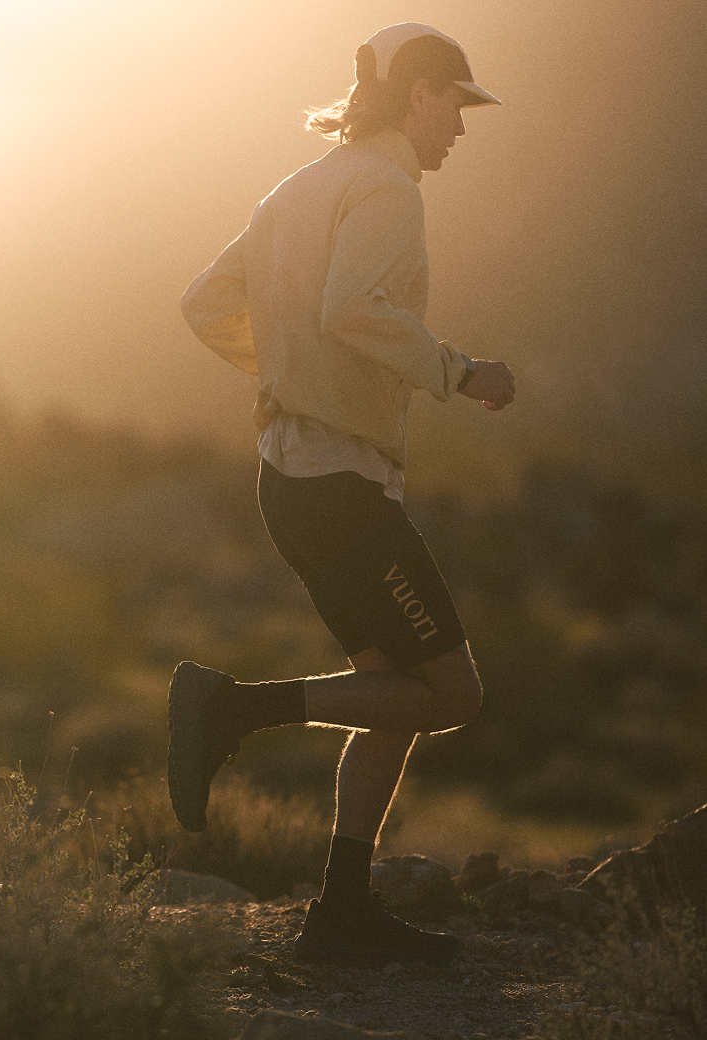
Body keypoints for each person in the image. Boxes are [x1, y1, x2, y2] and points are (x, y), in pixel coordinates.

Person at [171, 22, 515, 967]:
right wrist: (458, 370)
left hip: (286, 477)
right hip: (342, 485)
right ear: (415, 95)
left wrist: (289, 366)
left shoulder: (297, 188)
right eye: (455, 100)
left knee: (388, 694)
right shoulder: (386, 188)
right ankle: (231, 708)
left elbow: (205, 304)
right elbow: (356, 310)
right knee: (451, 693)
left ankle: (342, 911)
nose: (461, 124)